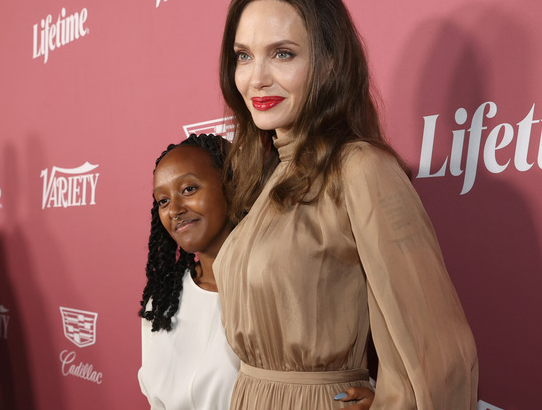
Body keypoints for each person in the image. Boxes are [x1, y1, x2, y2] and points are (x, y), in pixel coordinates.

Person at [214, 0, 479, 409]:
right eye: (243, 56)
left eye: (282, 54)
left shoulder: (361, 168)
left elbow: (439, 352)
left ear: (329, 62)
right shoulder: (269, 173)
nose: (256, 78)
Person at [137, 134, 374, 409]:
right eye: (163, 201)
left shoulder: (281, 286)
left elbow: (320, 378)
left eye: (189, 189)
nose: (174, 210)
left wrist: (380, 401)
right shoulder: (162, 304)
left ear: (233, 186)